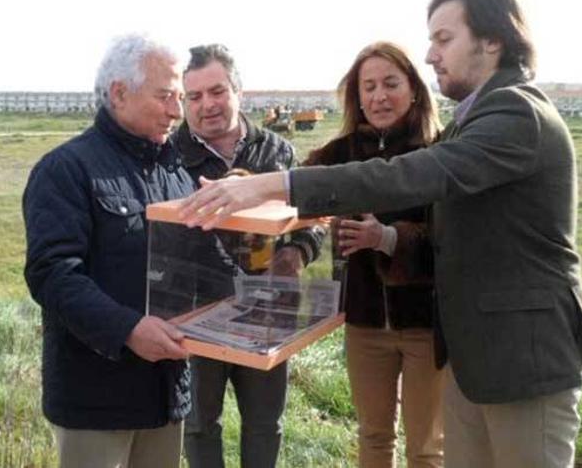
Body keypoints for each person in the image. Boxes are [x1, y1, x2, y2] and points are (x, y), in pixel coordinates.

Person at [179, 0, 582, 468]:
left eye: (443, 39)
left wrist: (273, 186)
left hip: (523, 360)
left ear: (492, 41)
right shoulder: (476, 116)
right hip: (474, 355)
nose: (431, 54)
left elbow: (414, 175)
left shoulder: (516, 112)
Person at [22, 34, 194, 468]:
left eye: (181, 97)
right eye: (166, 96)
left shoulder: (175, 172)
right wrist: (128, 329)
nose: (178, 110)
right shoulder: (66, 169)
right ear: (119, 92)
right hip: (96, 399)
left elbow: (195, 265)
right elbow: (53, 273)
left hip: (165, 393)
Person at [173, 44, 324, 468]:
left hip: (267, 312)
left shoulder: (277, 152)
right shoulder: (171, 155)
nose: (207, 105)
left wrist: (296, 252)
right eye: (195, 96)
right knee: (199, 423)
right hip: (197, 313)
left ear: (239, 90)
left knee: (264, 422)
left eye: (217, 91)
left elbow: (309, 219)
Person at [302, 41, 443, 468]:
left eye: (390, 83)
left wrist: (385, 239)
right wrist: (242, 185)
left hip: (425, 324)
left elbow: (451, 241)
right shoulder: (339, 154)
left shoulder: (438, 153)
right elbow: (293, 186)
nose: (379, 96)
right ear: (356, 96)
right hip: (363, 323)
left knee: (427, 448)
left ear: (414, 89)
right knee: (374, 436)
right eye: (368, 87)